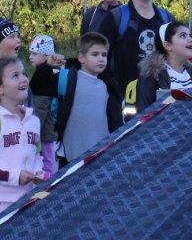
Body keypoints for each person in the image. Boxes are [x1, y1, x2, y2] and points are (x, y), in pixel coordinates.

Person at [0, 57, 46, 225]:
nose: (24, 79)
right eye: (15, 75)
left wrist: (38, 172)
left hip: (31, 199)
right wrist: (15, 177)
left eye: (24, 73)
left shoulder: (34, 120)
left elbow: (37, 155)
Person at [30, 32, 123, 163]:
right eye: (95, 54)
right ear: (81, 57)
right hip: (70, 156)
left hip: (101, 155)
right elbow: (37, 88)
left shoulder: (109, 85)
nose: (101, 59)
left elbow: (116, 118)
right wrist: (47, 66)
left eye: (104, 55)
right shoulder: (66, 79)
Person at [98, 0, 174, 94]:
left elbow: (176, 57)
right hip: (126, 99)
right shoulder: (116, 18)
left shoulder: (166, 18)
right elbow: (99, 59)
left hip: (162, 97)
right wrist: (115, 94)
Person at [136, 22, 192, 110]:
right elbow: (144, 113)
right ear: (167, 45)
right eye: (183, 35)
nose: (191, 40)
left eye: (190, 36)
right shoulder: (152, 75)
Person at [27, 35, 59, 175]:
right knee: (49, 157)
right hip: (49, 128)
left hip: (44, 131)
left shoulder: (41, 75)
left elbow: (40, 107)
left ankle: (49, 181)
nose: (30, 57)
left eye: (34, 54)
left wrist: (34, 130)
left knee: (46, 159)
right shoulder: (49, 71)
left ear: (46, 56)